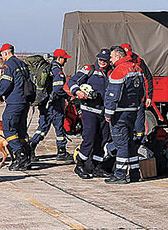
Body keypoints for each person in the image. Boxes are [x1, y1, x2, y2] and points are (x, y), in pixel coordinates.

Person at [66, 49, 113, 179]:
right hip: (89, 111)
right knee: (89, 138)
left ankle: (96, 166)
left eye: (105, 60)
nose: (102, 62)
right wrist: (77, 92)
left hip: (104, 112)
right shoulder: (89, 69)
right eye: (100, 59)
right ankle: (80, 164)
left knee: (103, 139)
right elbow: (72, 81)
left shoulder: (112, 72)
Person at [104, 45, 144, 184]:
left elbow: (113, 95)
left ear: (118, 57)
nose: (110, 59)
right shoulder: (137, 69)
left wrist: (108, 113)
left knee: (121, 144)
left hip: (119, 113)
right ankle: (134, 173)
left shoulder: (118, 71)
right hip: (132, 112)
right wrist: (136, 106)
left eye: (111, 57)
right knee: (130, 143)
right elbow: (142, 92)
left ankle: (120, 174)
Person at [30, 48, 73, 161]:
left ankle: (32, 148)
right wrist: (68, 97)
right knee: (54, 128)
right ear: (59, 58)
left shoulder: (49, 68)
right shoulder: (57, 71)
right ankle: (60, 151)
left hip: (46, 103)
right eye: (64, 59)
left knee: (45, 127)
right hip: (54, 105)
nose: (66, 61)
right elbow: (58, 89)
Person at [0, 43, 33, 171]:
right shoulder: (22, 63)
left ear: (6, 53)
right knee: (21, 131)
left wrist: (0, 95)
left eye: (2, 55)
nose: (2, 58)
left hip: (14, 102)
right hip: (25, 102)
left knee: (9, 128)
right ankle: (27, 156)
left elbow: (6, 82)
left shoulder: (8, 65)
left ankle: (19, 156)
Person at [121, 43, 154, 144]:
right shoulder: (116, 64)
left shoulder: (139, 62)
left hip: (139, 99)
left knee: (139, 124)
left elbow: (148, 79)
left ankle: (140, 143)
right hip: (123, 100)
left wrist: (149, 97)